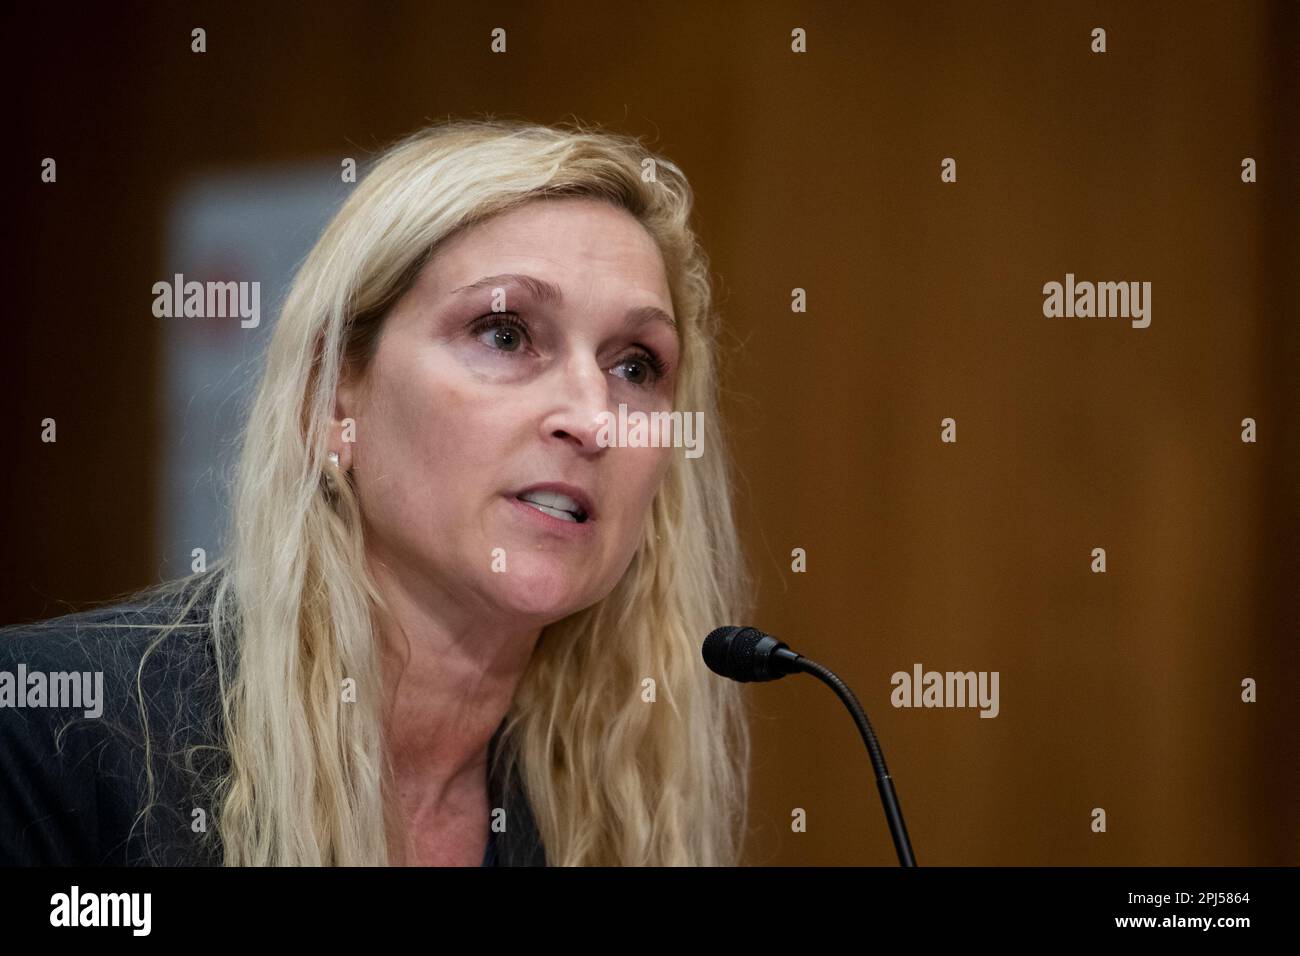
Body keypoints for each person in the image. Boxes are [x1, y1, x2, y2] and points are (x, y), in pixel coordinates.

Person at [0, 116, 753, 866]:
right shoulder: (46, 731)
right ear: (331, 401)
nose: (593, 420)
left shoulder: (618, 807)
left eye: (636, 367)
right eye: (505, 333)